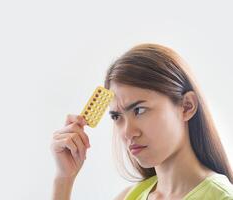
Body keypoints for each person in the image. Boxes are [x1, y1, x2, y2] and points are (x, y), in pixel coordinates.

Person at [50, 43, 233, 200]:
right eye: (116, 117)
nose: (127, 133)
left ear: (187, 106)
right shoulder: (129, 196)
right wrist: (64, 179)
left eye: (139, 110)